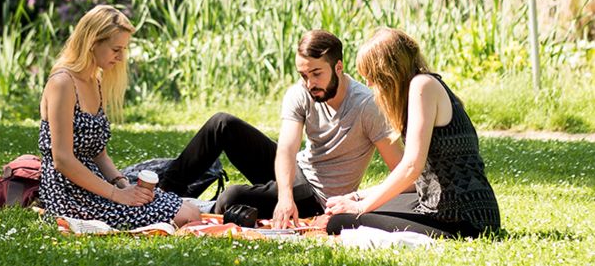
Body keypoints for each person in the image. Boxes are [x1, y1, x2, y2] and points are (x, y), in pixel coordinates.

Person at [158, 30, 406, 228]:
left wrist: (358, 200)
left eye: (316, 73)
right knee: (222, 124)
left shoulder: (367, 106)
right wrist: (285, 197)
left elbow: (402, 170)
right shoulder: (300, 93)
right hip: (297, 174)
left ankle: (203, 207)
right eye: (303, 74)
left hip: (318, 199)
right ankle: (163, 194)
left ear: (338, 67)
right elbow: (287, 149)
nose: (309, 83)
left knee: (231, 197)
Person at [324, 28, 500, 238]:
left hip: (462, 217)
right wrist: (356, 197)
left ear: (390, 70)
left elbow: (411, 167)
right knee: (368, 207)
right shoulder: (422, 87)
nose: (369, 84)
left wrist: (360, 209)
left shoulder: (422, 86)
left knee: (341, 221)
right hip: (448, 206)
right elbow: (415, 180)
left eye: (372, 75)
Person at [38, 5, 200, 228]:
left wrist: (123, 184)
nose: (121, 57)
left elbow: (99, 154)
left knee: (190, 210)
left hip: (97, 185)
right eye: (116, 49)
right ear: (93, 42)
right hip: (69, 195)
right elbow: (62, 160)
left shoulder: (95, 81)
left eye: (123, 49)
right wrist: (116, 194)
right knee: (185, 216)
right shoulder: (62, 83)